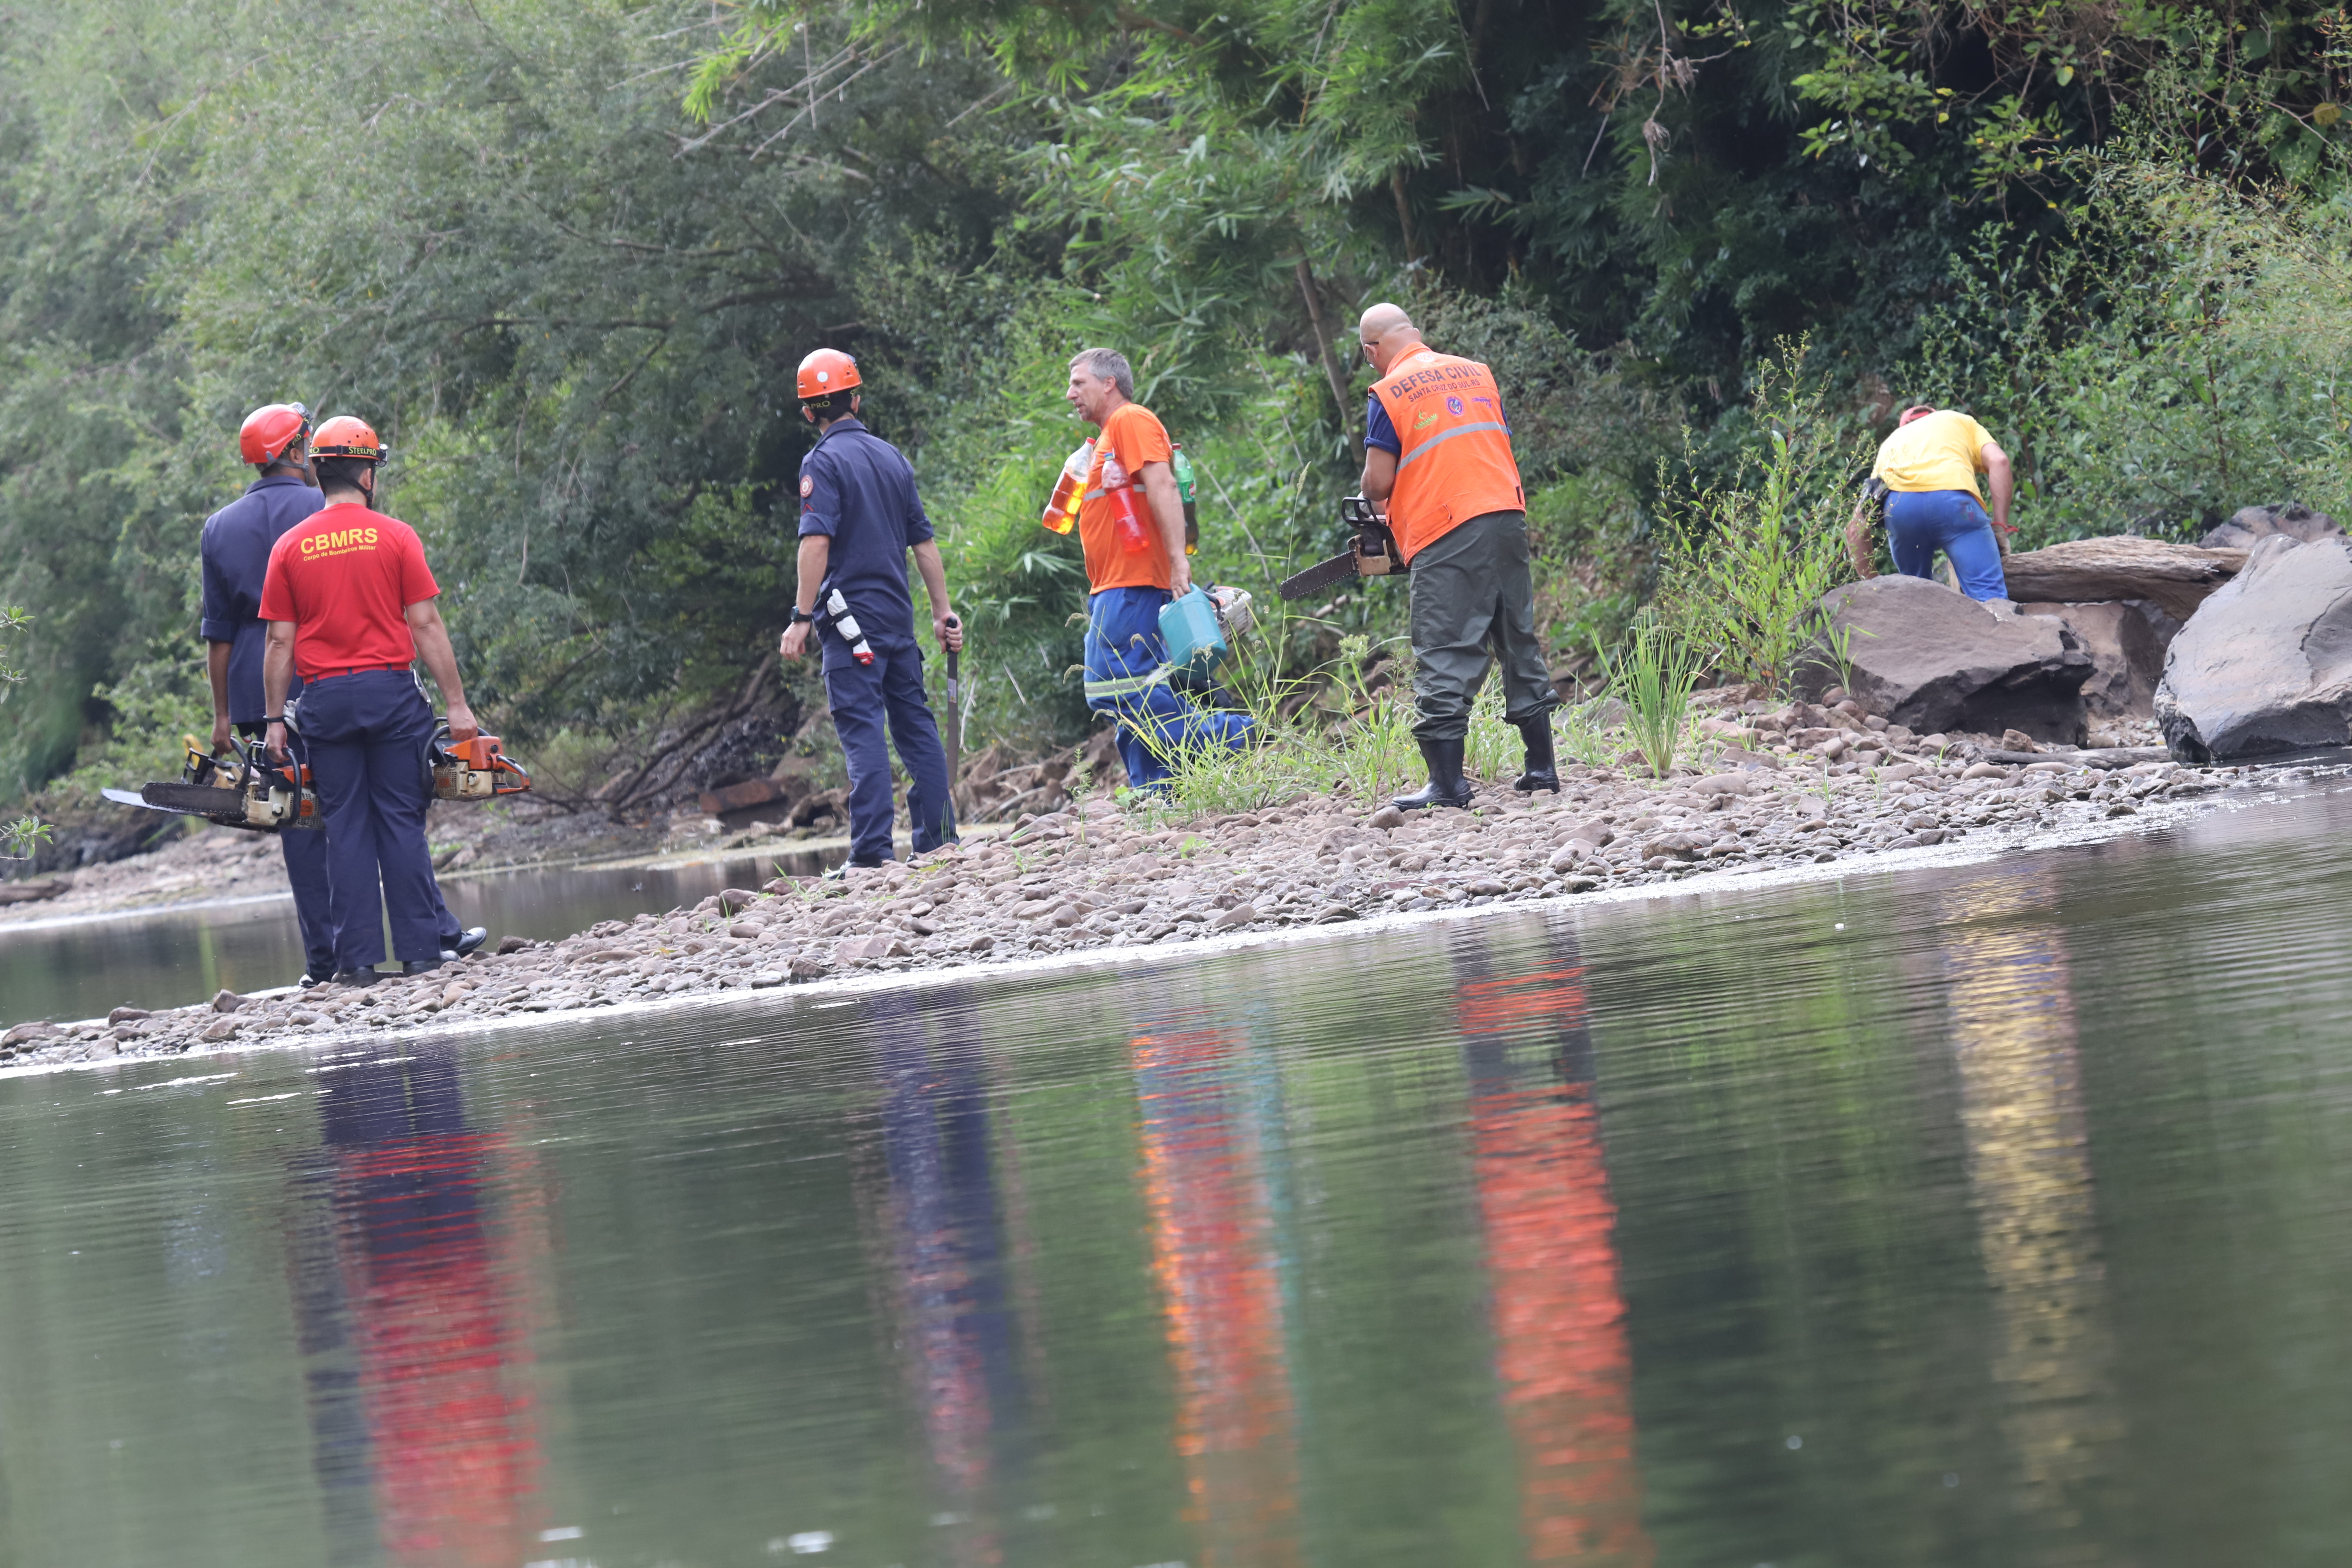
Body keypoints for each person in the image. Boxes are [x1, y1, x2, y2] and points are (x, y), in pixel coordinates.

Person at [202, 405, 483, 985]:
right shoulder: (396, 536)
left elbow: (279, 642)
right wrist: (457, 705)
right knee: (401, 822)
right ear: (365, 475)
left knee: (344, 828)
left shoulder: (289, 546)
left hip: (322, 703)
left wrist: (273, 718)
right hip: (390, 696)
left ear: (318, 468)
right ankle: (424, 952)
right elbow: (426, 626)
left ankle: (352, 964)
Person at [1357, 302, 1557, 810]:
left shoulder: (1388, 391)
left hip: (1448, 528)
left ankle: (1447, 784)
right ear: (1417, 334)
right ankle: (1541, 768)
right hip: (1505, 513)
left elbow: (1379, 482)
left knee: (1444, 649)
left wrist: (1376, 500)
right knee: (1516, 636)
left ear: (1372, 351)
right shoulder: (1477, 374)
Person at [776, 349, 962, 871]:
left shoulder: (822, 462)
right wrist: (943, 614)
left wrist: (801, 617)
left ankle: (873, 853)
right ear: (856, 400)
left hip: (850, 625)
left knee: (862, 729)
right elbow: (924, 545)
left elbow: (816, 544)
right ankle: (940, 839)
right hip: (898, 621)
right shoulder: (892, 457)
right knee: (915, 727)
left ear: (810, 412)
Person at [1063, 348, 1254, 790]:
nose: (1070, 394)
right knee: (1142, 690)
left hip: (1130, 586)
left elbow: (1163, 484)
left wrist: (1177, 564)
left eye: (1079, 383)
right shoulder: (1107, 437)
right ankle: (1155, 793)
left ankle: (1239, 734)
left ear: (1109, 383)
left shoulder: (1131, 421)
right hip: (1117, 587)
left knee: (1111, 686)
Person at [201, 402, 338, 985]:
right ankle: (383, 941)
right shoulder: (326, 504)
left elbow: (220, 635)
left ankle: (322, 961)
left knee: (300, 824)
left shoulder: (219, 527)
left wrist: (223, 718)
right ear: (294, 451)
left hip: (259, 700)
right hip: (329, 674)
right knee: (354, 809)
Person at [1847, 404, 2014, 601]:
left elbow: (1854, 529)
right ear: (1935, 416)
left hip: (1901, 509)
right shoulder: (1958, 420)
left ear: (1904, 426)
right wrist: (2001, 527)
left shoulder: (1891, 443)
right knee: (1990, 599)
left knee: (1919, 601)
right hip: (1955, 505)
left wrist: (1873, 588)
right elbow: (1999, 461)